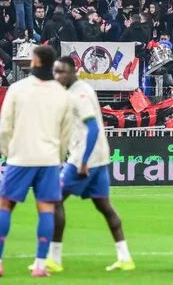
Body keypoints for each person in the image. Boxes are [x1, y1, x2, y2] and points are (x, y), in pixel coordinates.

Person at [0, 46, 72, 279]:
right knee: (46, 208)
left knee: (5, 205)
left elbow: (6, 125)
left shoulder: (17, 89)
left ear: (35, 60)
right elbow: (66, 131)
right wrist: (58, 157)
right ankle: (40, 264)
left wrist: (6, 152)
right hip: (48, 158)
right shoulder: (62, 93)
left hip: (21, 156)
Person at [39, 56, 135, 273]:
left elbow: (92, 129)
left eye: (61, 71)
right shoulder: (80, 89)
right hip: (98, 157)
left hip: (85, 158)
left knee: (54, 199)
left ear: (74, 71)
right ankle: (125, 257)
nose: (57, 76)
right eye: (55, 72)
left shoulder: (78, 94)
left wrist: (83, 162)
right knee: (104, 206)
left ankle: (54, 258)